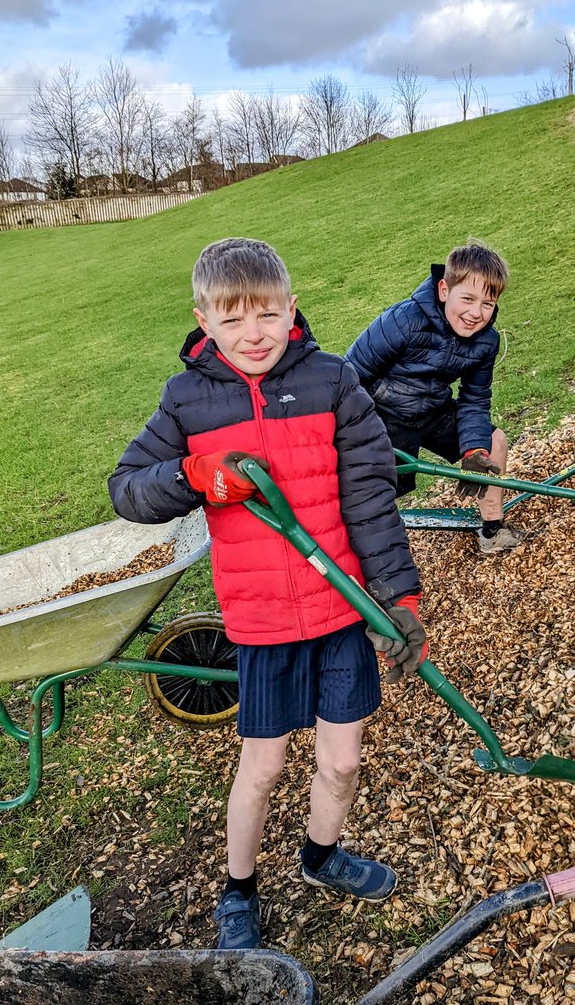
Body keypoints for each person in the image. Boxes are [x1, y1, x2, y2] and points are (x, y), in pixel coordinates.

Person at [109, 237, 427, 950]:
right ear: (204, 320)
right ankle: (239, 888)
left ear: (292, 309)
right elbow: (126, 488)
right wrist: (195, 476)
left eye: (266, 314)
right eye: (232, 319)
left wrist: (398, 599)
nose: (252, 334)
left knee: (342, 760)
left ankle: (321, 855)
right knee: (265, 765)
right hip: (261, 621)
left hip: (342, 610)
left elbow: (371, 496)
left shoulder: (333, 382)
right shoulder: (188, 398)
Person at [345, 239, 521, 553]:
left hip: (432, 411)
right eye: (467, 298)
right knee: (375, 492)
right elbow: (350, 375)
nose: (475, 313)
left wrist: (473, 450)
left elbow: (474, 399)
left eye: (487, 304)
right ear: (443, 290)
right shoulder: (403, 321)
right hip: (383, 414)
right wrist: (358, 434)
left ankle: (492, 530)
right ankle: (363, 553)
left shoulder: (486, 342)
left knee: (494, 443)